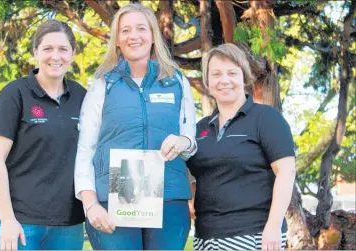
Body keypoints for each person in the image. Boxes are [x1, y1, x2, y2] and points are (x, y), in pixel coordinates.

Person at [74, 3, 197, 250]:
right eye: (125, 30)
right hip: (112, 201)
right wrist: (90, 203)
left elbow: (190, 141)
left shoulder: (176, 81)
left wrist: (183, 142)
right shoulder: (102, 85)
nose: (134, 36)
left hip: (169, 200)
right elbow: (86, 149)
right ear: (117, 40)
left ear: (152, 35)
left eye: (141, 28)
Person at [0, 20, 86, 250]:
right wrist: (8, 220)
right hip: (20, 224)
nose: (55, 56)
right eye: (48, 49)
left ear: (72, 53)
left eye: (63, 49)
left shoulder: (82, 97)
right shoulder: (14, 94)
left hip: (68, 226)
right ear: (35, 52)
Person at [187, 43, 296, 250]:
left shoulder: (266, 118)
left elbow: (286, 172)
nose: (224, 80)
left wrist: (273, 226)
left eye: (232, 73)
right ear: (207, 81)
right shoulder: (199, 129)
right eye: (216, 74)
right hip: (205, 238)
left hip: (254, 235)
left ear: (244, 77)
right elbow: (192, 175)